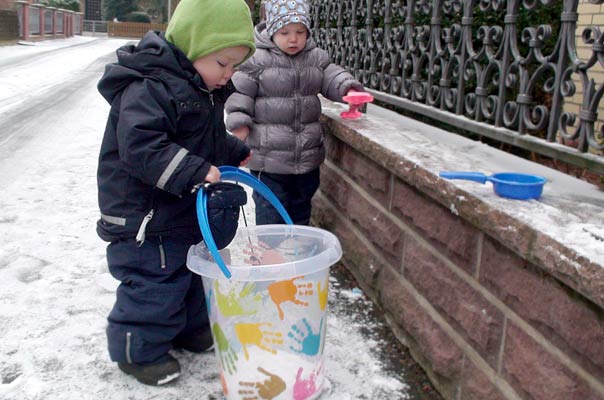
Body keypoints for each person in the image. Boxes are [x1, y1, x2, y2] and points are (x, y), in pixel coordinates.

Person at [95, 0, 255, 386]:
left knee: (192, 270)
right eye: (223, 63)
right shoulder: (149, 86)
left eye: (235, 65)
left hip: (177, 206)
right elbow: (142, 148)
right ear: (193, 46)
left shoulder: (199, 87)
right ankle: (139, 352)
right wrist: (196, 170)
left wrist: (235, 151)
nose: (228, 74)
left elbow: (207, 136)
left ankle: (188, 330)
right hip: (143, 217)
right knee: (155, 282)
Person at [225, 0, 366, 226]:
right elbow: (239, 93)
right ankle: (270, 254)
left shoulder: (316, 58)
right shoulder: (256, 60)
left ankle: (297, 250)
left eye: (300, 32)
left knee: (301, 209)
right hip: (268, 160)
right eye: (285, 32)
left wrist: (347, 88)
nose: (294, 39)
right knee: (270, 211)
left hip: (307, 158)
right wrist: (240, 125)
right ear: (272, 31)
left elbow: (332, 76)